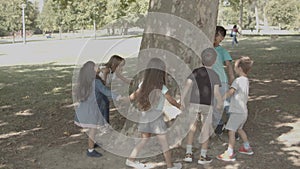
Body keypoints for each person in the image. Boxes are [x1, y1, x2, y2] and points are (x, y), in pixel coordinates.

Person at [125, 58, 182, 169]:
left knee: (144, 139)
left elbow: (134, 95)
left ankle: (130, 160)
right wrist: (179, 106)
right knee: (165, 143)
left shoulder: (143, 84)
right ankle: (170, 166)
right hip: (156, 118)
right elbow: (171, 100)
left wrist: (124, 100)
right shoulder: (162, 87)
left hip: (144, 115)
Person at [181, 48, 223, 164]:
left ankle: (188, 154)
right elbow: (216, 93)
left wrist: (182, 99)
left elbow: (187, 85)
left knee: (192, 128)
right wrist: (220, 102)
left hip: (194, 103)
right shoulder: (215, 75)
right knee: (205, 129)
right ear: (214, 61)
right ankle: (203, 156)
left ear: (201, 60)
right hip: (207, 105)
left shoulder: (195, 71)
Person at [74, 61, 120, 157]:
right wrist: (118, 97)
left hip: (83, 110)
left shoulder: (85, 82)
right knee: (93, 130)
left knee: (93, 129)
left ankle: (92, 143)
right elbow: (105, 91)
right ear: (92, 70)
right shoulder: (96, 82)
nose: (98, 66)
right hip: (91, 112)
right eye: (95, 66)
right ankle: (90, 150)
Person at [217, 56, 254, 161]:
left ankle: (229, 153)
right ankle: (246, 147)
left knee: (231, 131)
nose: (234, 69)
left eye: (235, 67)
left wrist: (221, 99)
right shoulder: (246, 80)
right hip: (243, 112)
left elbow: (231, 92)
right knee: (239, 129)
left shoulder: (237, 81)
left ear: (240, 69)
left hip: (237, 111)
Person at [213, 26, 235, 136]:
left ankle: (233, 126)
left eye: (219, 36)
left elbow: (228, 65)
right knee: (215, 105)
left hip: (222, 82)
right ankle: (219, 125)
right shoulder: (205, 48)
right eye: (216, 35)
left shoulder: (222, 50)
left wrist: (232, 79)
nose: (217, 38)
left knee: (227, 105)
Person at [98, 55, 131, 124]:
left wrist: (132, 82)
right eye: (120, 66)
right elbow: (103, 84)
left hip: (102, 89)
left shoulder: (115, 71)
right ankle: (103, 124)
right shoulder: (106, 70)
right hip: (97, 88)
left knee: (105, 103)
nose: (122, 68)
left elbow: (124, 79)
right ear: (114, 65)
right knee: (103, 103)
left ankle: (105, 123)